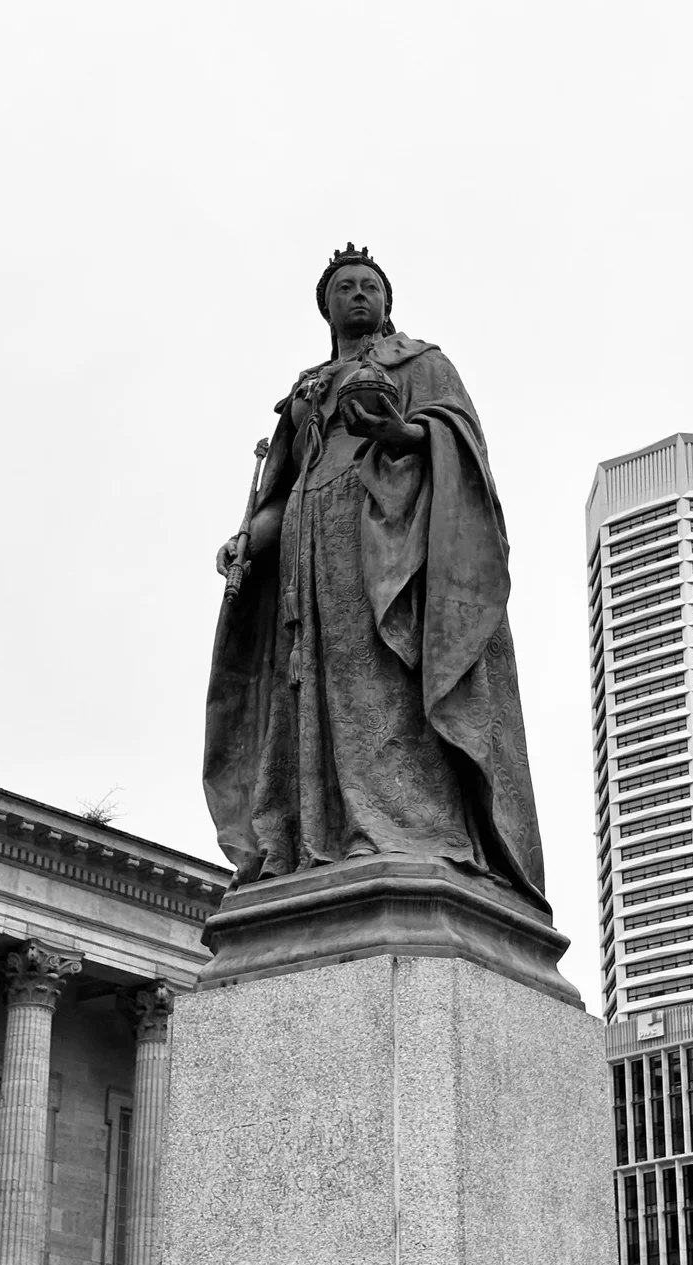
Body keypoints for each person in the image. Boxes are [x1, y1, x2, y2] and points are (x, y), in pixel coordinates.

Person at [206, 244, 547, 913]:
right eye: (345, 287)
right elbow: (286, 485)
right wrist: (248, 535)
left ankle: (407, 828)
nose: (359, 294)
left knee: (382, 685)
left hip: (387, 540)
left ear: (387, 302)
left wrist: (401, 433)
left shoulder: (422, 363)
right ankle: (318, 834)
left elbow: (460, 439)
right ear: (326, 306)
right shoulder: (305, 390)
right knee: (313, 699)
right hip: (308, 558)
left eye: (370, 286)